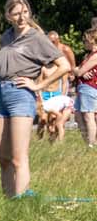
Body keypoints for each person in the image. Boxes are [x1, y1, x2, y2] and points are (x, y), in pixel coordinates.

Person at [0, 0, 72, 197]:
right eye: (16, 13)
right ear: (8, 15)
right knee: (3, 157)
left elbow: (64, 66)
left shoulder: (36, 38)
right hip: (1, 94)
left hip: (21, 95)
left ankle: (21, 201)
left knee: (19, 157)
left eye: (25, 12)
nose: (21, 18)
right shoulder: (6, 37)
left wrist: (39, 86)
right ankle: (8, 199)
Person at [40, 32, 75, 142]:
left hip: (58, 88)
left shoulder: (65, 50)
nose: (51, 43)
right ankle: (42, 140)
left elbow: (71, 67)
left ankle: (55, 140)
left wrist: (62, 96)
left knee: (56, 119)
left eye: (53, 41)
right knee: (45, 119)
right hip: (46, 90)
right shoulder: (44, 56)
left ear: (58, 39)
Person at [77, 20, 97, 149]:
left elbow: (78, 71)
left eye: (85, 41)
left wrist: (79, 72)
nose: (83, 43)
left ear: (91, 40)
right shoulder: (88, 55)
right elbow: (78, 71)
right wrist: (79, 72)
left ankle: (91, 144)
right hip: (83, 87)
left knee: (89, 116)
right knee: (79, 116)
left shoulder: (95, 55)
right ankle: (88, 142)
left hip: (90, 87)